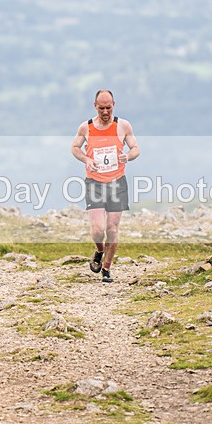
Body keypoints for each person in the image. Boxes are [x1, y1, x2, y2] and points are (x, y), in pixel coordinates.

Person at [71, 89, 140, 283]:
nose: (105, 112)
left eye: (108, 108)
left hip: (117, 183)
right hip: (94, 183)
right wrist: (86, 160)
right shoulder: (86, 127)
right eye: (101, 108)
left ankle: (107, 269)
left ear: (114, 105)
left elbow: (136, 148)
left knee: (112, 229)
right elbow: (74, 148)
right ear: (95, 106)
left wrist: (128, 156)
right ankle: (99, 251)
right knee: (97, 230)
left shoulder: (123, 126)